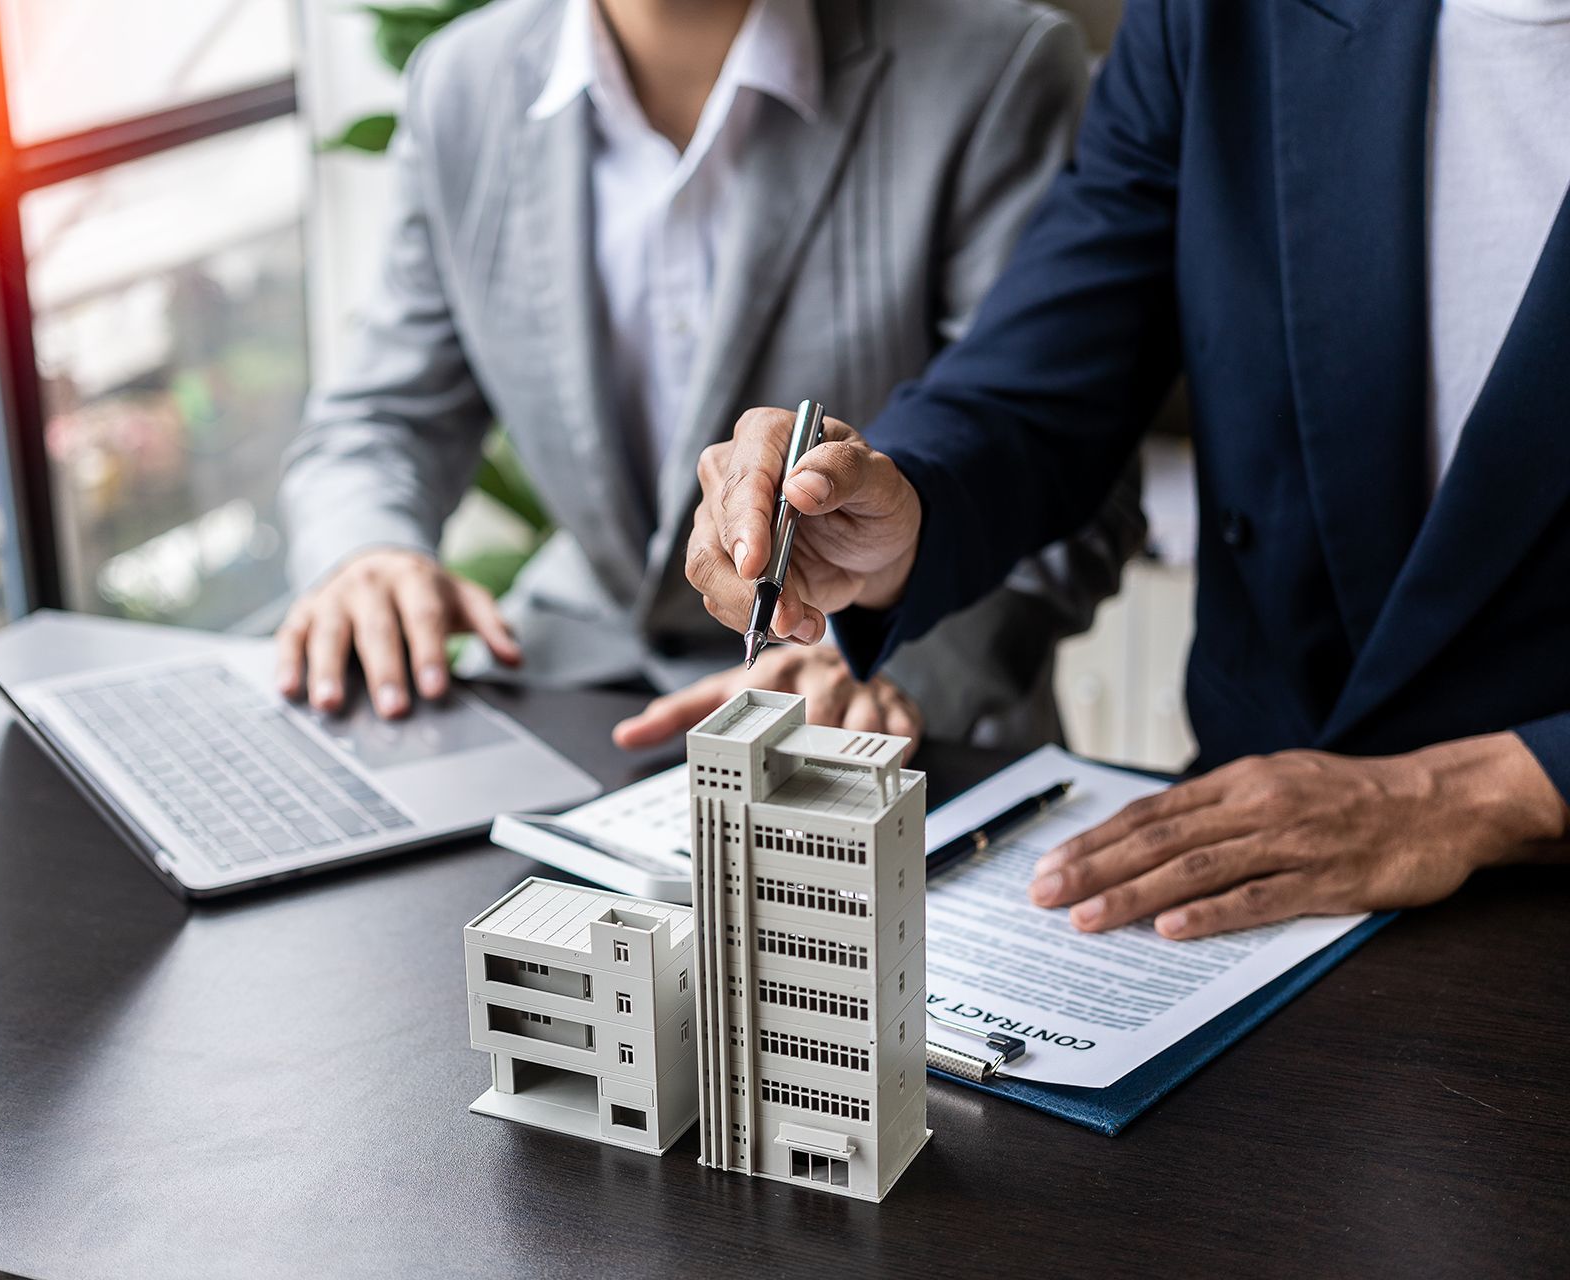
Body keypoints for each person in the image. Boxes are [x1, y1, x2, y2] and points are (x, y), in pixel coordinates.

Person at [686, 0, 1570, 940]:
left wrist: (1479, 792)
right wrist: (895, 506)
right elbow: (1046, 376)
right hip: (1243, 864)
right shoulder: (1225, 17)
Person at [276, 0, 1144, 755]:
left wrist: (860, 658)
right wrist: (367, 553)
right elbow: (381, 417)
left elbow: (1067, 476)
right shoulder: (461, 80)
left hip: (876, 724)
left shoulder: (991, 67)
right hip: (573, 697)